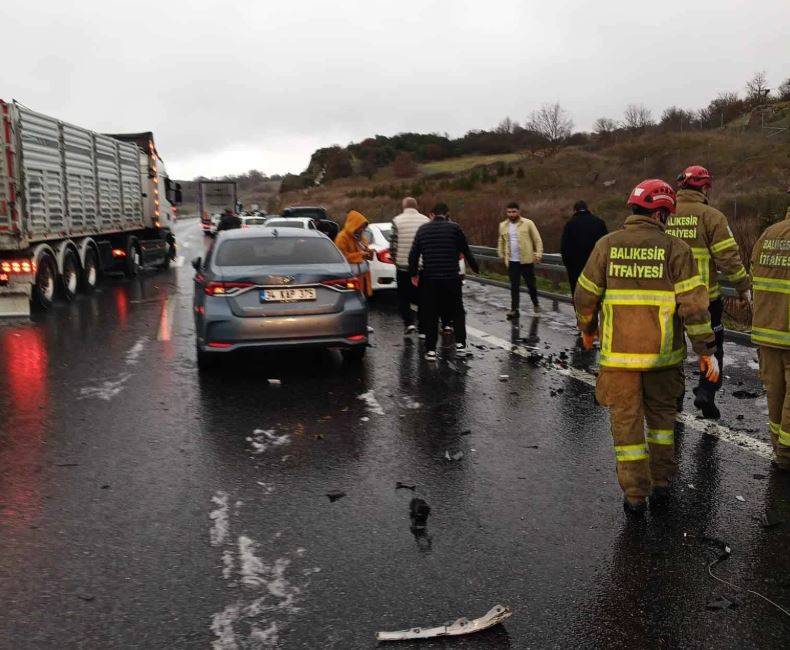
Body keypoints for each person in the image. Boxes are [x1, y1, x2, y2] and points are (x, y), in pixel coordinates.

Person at [574, 179, 717, 516]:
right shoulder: (676, 249)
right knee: (662, 425)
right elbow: (694, 308)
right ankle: (663, 484)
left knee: (627, 429)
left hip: (618, 361)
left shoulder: (606, 245)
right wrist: (705, 350)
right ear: (663, 213)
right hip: (662, 360)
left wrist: (587, 329)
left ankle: (635, 496)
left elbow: (584, 296)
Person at [668, 166, 750, 419]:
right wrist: (742, 287)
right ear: (704, 188)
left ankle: (676, 397)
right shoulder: (712, 216)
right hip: (705, 299)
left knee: (673, 347)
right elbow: (728, 258)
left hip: (668, 297)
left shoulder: (664, 215)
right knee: (711, 348)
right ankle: (707, 393)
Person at [408, 203, 479, 361]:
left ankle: (431, 350)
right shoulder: (455, 228)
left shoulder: (423, 230)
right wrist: (475, 267)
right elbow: (465, 250)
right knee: (457, 311)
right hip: (451, 278)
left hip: (430, 278)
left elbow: (413, 255)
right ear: (447, 214)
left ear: (431, 214)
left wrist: (413, 274)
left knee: (431, 313)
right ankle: (461, 345)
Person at [749, 203, 790, 472]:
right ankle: (787, 454)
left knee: (775, 394)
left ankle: (779, 450)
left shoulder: (769, 234)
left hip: (767, 330)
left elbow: (753, 271)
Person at [390, 197, 429, 335]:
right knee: (423, 297)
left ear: (404, 207)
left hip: (403, 266)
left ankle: (409, 323)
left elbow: (393, 245)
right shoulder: (426, 220)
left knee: (403, 296)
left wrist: (395, 260)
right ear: (416, 206)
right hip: (422, 266)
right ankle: (423, 329)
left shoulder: (397, 220)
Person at [497, 202, 543, 319]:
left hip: (526, 260)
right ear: (506, 212)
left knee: (531, 285)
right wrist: (501, 253)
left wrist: (538, 254)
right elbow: (501, 241)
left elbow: (537, 239)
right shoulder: (503, 225)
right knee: (514, 286)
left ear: (518, 212)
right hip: (512, 261)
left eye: (514, 212)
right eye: (509, 212)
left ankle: (536, 303)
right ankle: (514, 309)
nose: (511, 214)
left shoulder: (528, 223)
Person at [560, 200, 608, 295]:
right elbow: (606, 244)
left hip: (576, 268)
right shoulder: (599, 223)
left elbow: (564, 248)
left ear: (575, 210)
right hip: (596, 266)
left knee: (578, 294)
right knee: (596, 293)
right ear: (587, 209)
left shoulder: (570, 224)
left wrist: (568, 266)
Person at [335, 210, 373, 297]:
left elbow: (366, 257)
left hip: (363, 276)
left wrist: (369, 253)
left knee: (363, 299)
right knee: (352, 300)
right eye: (361, 227)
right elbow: (342, 257)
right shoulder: (342, 238)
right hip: (351, 277)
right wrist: (361, 254)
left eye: (364, 227)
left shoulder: (361, 238)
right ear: (354, 225)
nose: (362, 229)